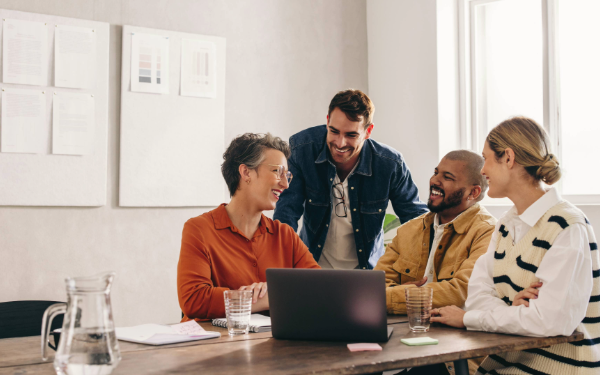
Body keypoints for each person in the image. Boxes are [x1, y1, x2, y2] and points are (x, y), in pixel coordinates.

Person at [431, 117, 600, 374]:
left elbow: (549, 322)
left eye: (486, 158)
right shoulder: (506, 224)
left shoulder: (568, 227)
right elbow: (477, 297)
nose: (483, 169)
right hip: (505, 364)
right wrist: (512, 310)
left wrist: (468, 319)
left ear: (508, 158)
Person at [273, 89, 428, 270]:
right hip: (312, 269)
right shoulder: (302, 149)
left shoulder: (390, 164)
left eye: (351, 135)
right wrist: (283, 269)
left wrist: (409, 271)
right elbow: (286, 214)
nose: (340, 143)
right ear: (327, 121)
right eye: (334, 131)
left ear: (368, 131)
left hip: (366, 274)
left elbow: (416, 221)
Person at [375, 150, 496, 375]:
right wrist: (402, 294)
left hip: (452, 354)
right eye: (435, 172)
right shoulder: (408, 230)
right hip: (401, 345)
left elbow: (459, 291)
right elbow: (375, 286)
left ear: (474, 192)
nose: (434, 181)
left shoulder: (488, 232)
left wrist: (403, 295)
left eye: (447, 178)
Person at [177, 133, 320, 322]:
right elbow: (194, 300)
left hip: (273, 347)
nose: (285, 184)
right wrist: (264, 299)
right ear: (246, 173)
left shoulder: (285, 235)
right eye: (277, 171)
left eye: (287, 175)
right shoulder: (199, 229)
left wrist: (271, 294)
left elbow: (319, 290)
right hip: (213, 348)